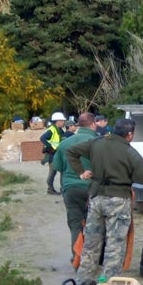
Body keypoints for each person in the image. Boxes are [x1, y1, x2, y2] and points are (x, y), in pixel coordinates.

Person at [67, 118, 143, 283]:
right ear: (129, 134)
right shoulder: (129, 152)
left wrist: (81, 172)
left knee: (91, 243)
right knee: (114, 246)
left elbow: (71, 151)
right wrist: (129, 175)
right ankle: (107, 284)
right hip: (118, 200)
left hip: (96, 198)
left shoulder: (97, 143)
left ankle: (82, 282)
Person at [52, 112, 99, 262]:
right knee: (96, 225)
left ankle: (77, 258)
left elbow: (58, 167)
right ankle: (94, 259)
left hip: (71, 189)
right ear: (93, 124)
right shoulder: (99, 143)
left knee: (75, 225)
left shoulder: (65, 144)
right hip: (94, 189)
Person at [40, 112, 68, 194]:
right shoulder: (52, 130)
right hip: (52, 154)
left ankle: (61, 189)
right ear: (57, 121)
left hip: (57, 153)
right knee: (53, 172)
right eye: (62, 121)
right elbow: (42, 138)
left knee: (59, 171)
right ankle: (50, 189)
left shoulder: (59, 130)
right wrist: (51, 147)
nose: (63, 122)